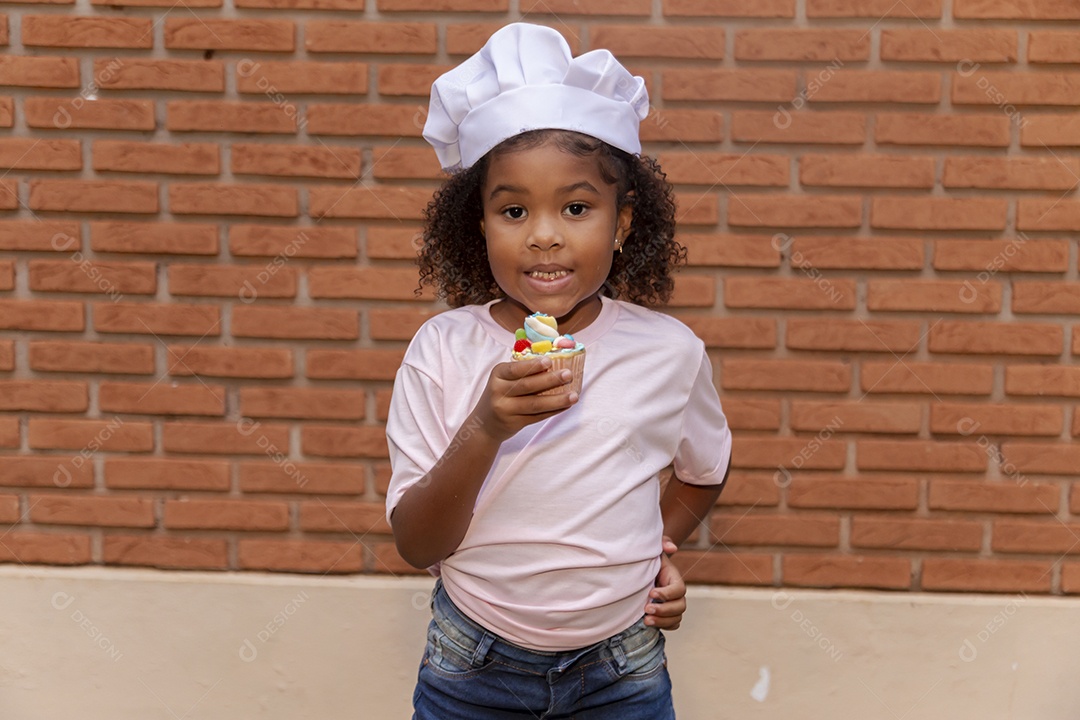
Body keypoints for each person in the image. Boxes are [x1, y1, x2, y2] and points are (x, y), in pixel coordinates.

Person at [385, 22, 733, 719]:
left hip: (622, 670)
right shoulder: (442, 350)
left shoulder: (670, 351)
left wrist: (652, 548)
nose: (544, 234)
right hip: (472, 667)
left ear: (623, 223)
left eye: (576, 208)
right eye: (513, 210)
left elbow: (704, 470)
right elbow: (417, 542)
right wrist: (487, 425)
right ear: (478, 225)